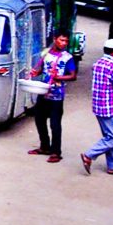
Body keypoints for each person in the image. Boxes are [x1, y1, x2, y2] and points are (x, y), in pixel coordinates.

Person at [27, 30, 77, 163]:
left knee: (55, 124)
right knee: (39, 120)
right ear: (55, 39)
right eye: (61, 40)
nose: (64, 43)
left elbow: (73, 75)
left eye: (66, 41)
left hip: (57, 95)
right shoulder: (46, 53)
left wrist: (59, 77)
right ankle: (45, 146)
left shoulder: (68, 57)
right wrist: (34, 72)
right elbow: (40, 69)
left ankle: (56, 152)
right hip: (43, 92)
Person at [80, 39, 113, 175]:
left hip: (99, 106)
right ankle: (89, 155)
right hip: (110, 107)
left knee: (111, 135)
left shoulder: (98, 64)